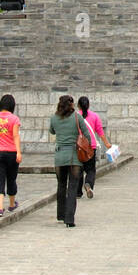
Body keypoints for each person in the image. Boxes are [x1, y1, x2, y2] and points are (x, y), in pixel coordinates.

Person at [49, 94, 92, 227]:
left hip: (60, 156)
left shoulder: (54, 118)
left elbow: (52, 131)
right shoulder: (76, 117)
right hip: (74, 157)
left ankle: (60, 214)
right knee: (72, 187)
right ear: (72, 104)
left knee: (61, 185)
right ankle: (69, 219)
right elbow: (87, 135)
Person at [0, 94, 21, 217]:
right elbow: (15, 136)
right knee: (11, 179)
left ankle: (0, 208)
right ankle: (12, 204)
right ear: (12, 106)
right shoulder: (14, 119)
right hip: (12, 153)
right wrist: (19, 152)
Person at [76, 96, 110, 199]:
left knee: (79, 169)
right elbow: (100, 132)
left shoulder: (75, 117)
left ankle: (78, 192)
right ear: (88, 105)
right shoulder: (95, 116)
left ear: (78, 105)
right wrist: (107, 143)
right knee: (90, 169)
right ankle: (88, 184)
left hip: (79, 146)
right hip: (91, 146)